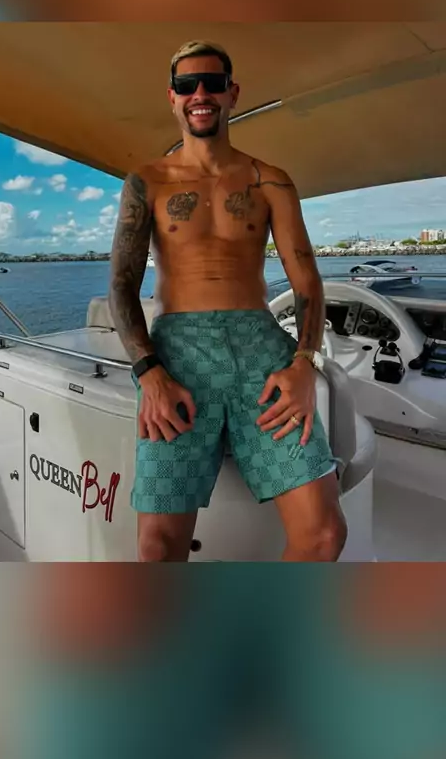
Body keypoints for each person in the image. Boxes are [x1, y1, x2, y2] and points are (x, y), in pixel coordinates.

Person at [109, 39, 347, 561]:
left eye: (213, 83)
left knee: (324, 534)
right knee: (157, 547)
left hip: (259, 348)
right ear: (172, 97)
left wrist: (304, 364)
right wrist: (149, 373)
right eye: (186, 85)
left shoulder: (271, 182)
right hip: (177, 353)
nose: (200, 94)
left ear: (232, 93)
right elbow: (121, 286)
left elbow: (307, 283)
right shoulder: (146, 182)